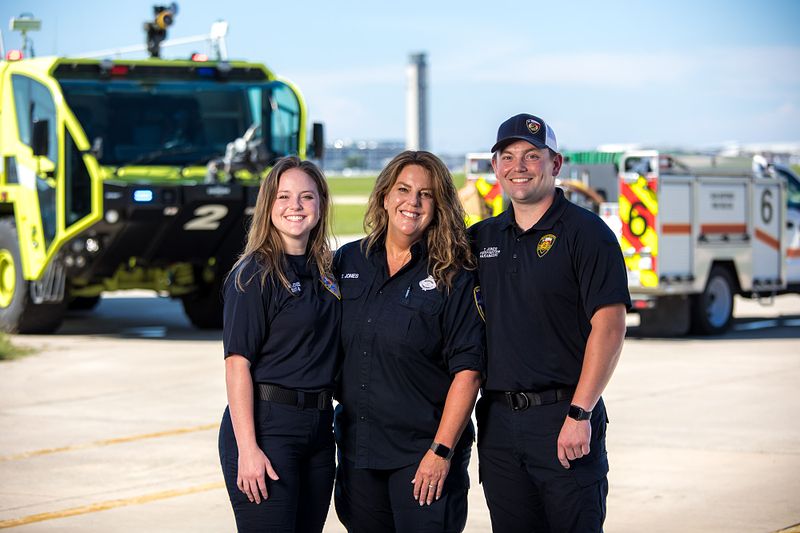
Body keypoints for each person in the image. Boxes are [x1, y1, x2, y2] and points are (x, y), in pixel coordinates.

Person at [469, 114, 630, 533]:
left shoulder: (587, 234)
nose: (518, 166)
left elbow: (610, 328)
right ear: (495, 168)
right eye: (508, 156)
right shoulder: (480, 239)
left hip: (564, 417)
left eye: (531, 155)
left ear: (555, 164)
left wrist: (581, 413)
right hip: (499, 425)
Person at [333, 150, 485, 532]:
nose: (412, 202)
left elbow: (468, 372)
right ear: (385, 196)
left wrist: (441, 452)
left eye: (426, 194)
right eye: (403, 189)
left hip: (423, 457)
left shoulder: (454, 274)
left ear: (439, 205)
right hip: (359, 452)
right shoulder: (348, 262)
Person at [218, 156, 340, 532]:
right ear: (268, 204)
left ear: (320, 205)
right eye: (284, 196)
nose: (295, 206)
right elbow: (237, 364)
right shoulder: (253, 274)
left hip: (319, 429)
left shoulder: (327, 272)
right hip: (268, 428)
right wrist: (248, 449)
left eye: (306, 197)